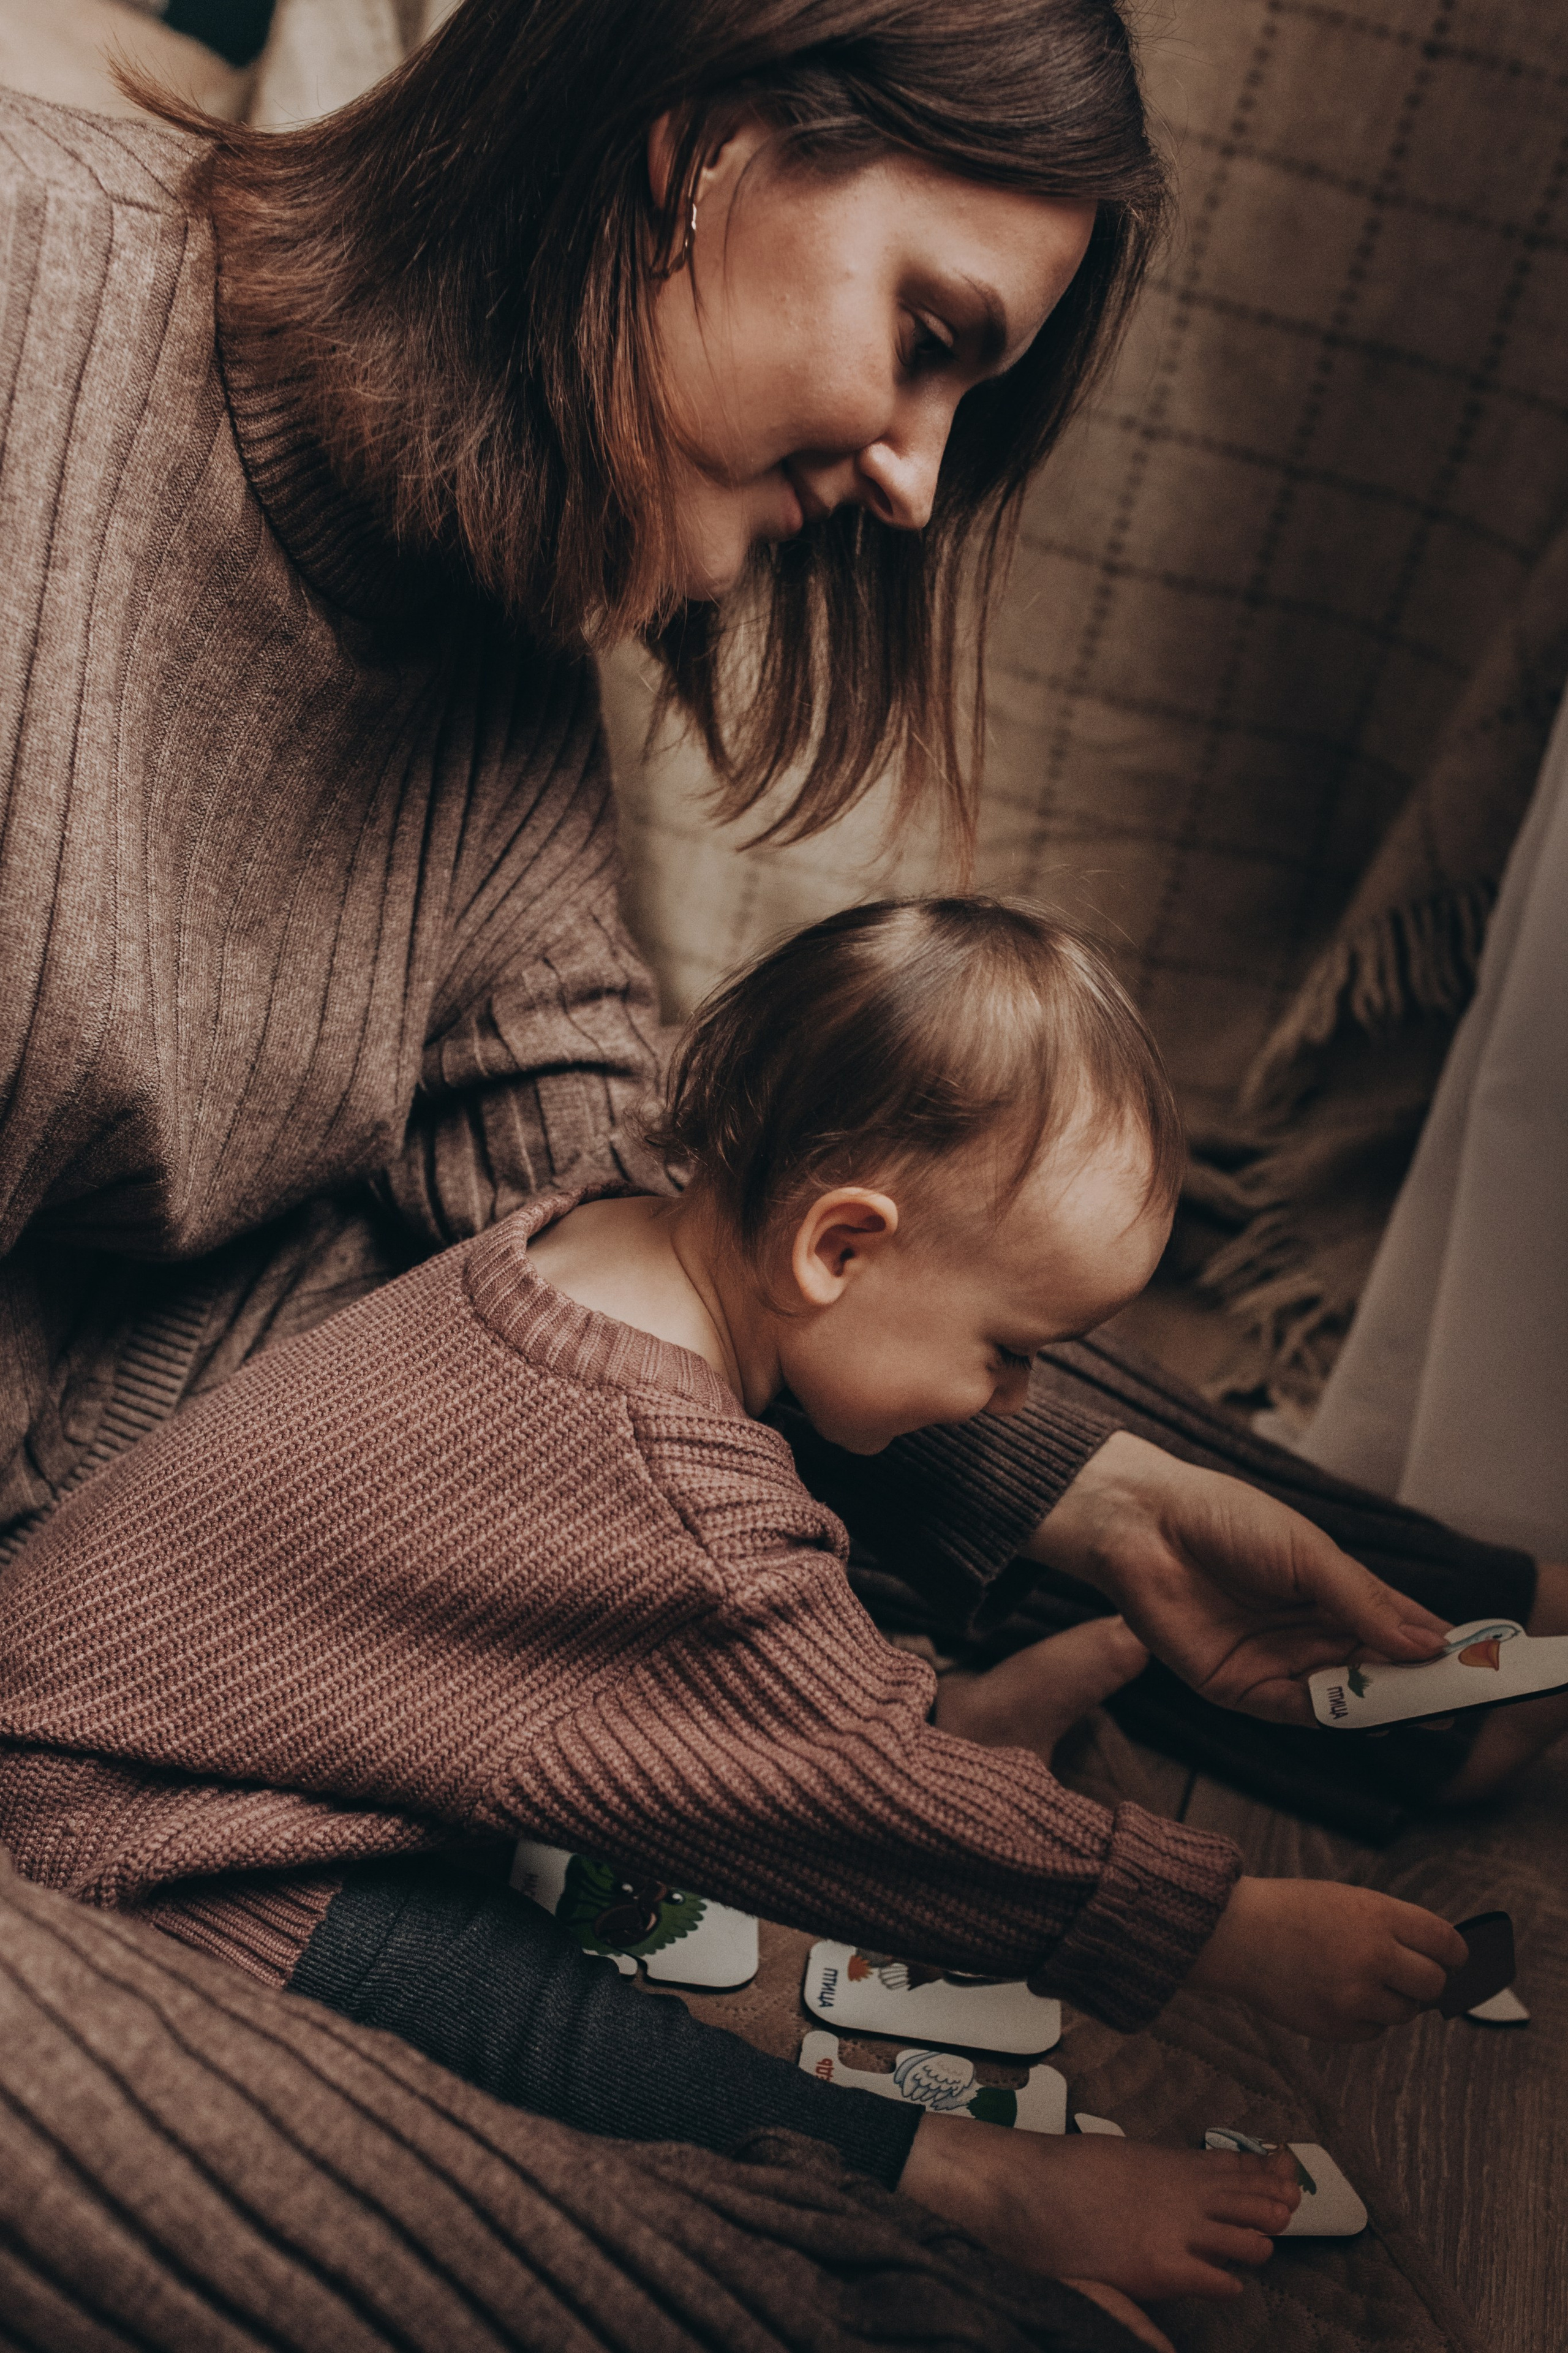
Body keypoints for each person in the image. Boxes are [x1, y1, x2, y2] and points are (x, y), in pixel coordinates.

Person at [0, 0, 1558, 2295]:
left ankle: (1184, 1671)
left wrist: (1079, 1491)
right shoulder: (34, 310)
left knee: (1308, 1591)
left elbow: (630, 1177)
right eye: (931, 339)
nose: (923, 476)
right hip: (110, 1653)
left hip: (235, 1461)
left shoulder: (491, 629)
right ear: (694, 146)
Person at [0, 894, 1482, 2321]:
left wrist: (923, 1724)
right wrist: (1223, 1924)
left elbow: (652, 1676)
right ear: (836, 1246)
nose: (1018, 1401)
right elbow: (859, 1795)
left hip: (155, 1736)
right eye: (1010, 1351)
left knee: (627, 1830)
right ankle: (951, 2170)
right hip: (114, 1857)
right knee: (511, 2009)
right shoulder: (672, 1483)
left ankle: (931, 1745)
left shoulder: (578, 1243)